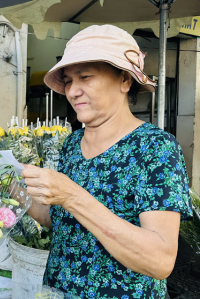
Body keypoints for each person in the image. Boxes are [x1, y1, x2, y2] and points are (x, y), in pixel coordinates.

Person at [22, 25, 192, 299]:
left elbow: (159, 261)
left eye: (85, 77)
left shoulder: (154, 147)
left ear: (125, 81)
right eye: (68, 81)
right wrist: (8, 184)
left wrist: (72, 196)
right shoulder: (71, 144)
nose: (73, 91)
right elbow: (60, 220)